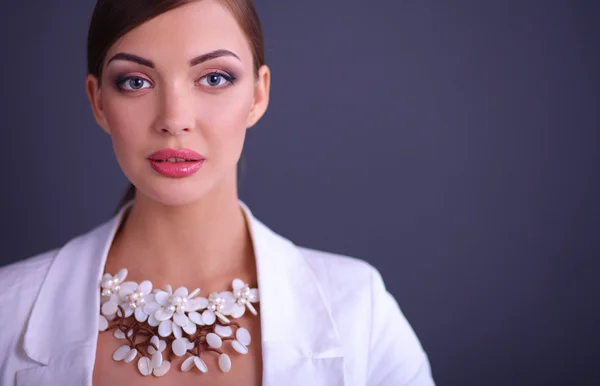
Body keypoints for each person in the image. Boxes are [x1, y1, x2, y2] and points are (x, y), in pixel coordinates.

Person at [0, 0, 435, 385]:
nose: (175, 119)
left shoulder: (360, 309)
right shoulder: (8, 309)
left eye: (214, 78)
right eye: (135, 81)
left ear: (258, 94)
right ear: (98, 102)